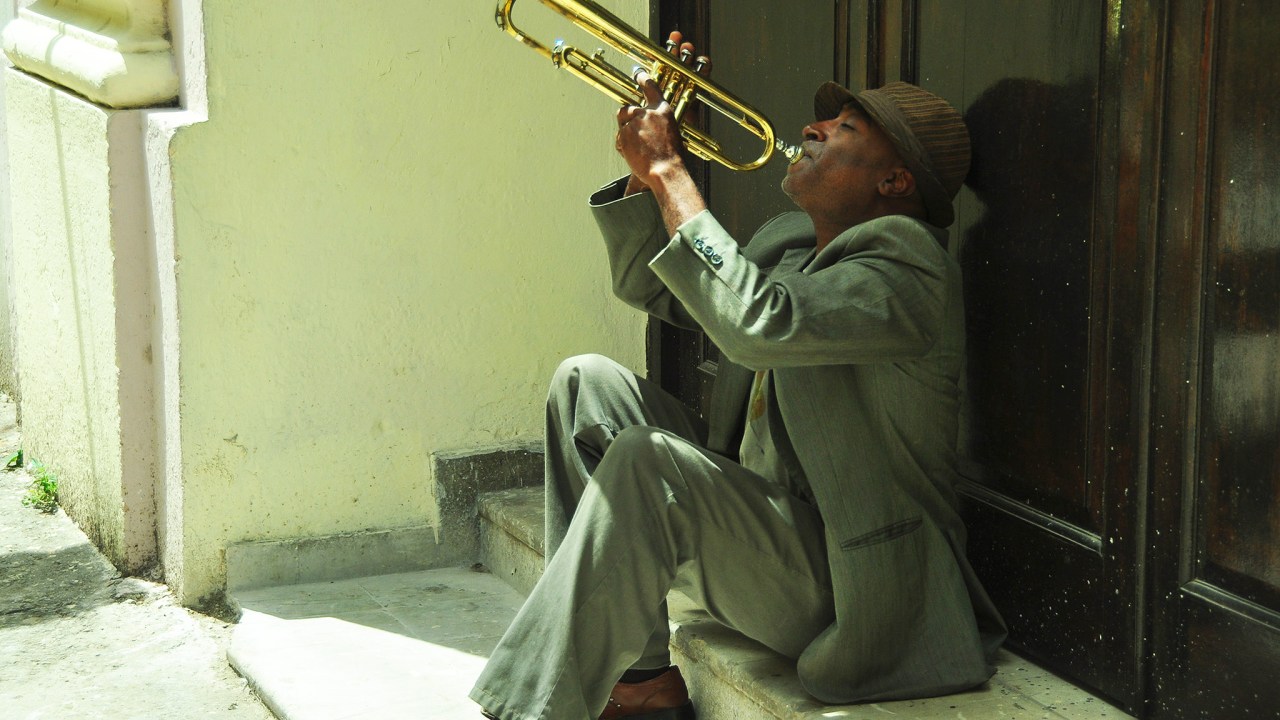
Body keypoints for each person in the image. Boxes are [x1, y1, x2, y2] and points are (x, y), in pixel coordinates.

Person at [471, 34, 1006, 720]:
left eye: (844, 129)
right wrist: (645, 177)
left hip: (857, 585)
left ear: (895, 182)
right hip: (765, 534)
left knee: (645, 460)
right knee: (586, 385)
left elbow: (757, 323)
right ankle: (639, 686)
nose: (812, 129)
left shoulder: (911, 271)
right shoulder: (790, 241)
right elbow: (657, 286)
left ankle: (527, 710)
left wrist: (671, 172)